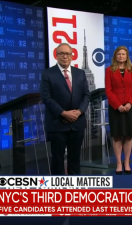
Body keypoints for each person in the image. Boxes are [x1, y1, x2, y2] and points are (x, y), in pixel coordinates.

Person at [40, 43, 90, 175]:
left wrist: (79, 112)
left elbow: (86, 95)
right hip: (57, 125)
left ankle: (74, 190)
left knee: (75, 160)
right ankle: (59, 192)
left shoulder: (80, 73)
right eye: (61, 53)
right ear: (56, 55)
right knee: (57, 160)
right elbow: (46, 98)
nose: (65, 56)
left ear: (72, 56)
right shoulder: (47, 74)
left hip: (77, 123)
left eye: (67, 53)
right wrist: (63, 113)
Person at [105, 46, 132, 175]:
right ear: (115, 56)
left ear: (127, 56)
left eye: (123, 54)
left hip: (130, 108)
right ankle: (119, 163)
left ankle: (126, 162)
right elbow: (108, 90)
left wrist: (130, 103)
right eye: (119, 54)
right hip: (116, 108)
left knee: (128, 135)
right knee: (117, 136)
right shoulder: (109, 70)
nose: (121, 56)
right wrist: (118, 105)